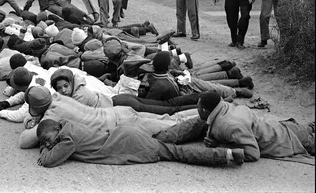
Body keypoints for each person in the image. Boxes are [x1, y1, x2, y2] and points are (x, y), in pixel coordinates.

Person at [19, 86, 199, 149]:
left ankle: (209, 114)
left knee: (174, 124)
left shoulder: (52, 116)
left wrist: (32, 118)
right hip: (120, 112)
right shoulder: (59, 97)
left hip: (121, 124)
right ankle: (205, 109)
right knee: (170, 117)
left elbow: (24, 141)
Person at [36, 118, 245, 168]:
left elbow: (48, 161)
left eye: (48, 139)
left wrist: (45, 147)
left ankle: (227, 155)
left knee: (176, 153)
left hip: (128, 144)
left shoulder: (66, 139)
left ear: (56, 130)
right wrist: (47, 140)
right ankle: (201, 122)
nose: (49, 143)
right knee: (167, 137)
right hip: (126, 134)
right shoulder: (68, 124)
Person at [197, 91, 314, 164]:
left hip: (289, 139)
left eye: (198, 108)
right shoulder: (225, 107)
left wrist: (220, 146)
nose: (197, 111)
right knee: (308, 129)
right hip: (284, 127)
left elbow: (252, 154)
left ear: (205, 110)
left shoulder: (230, 126)